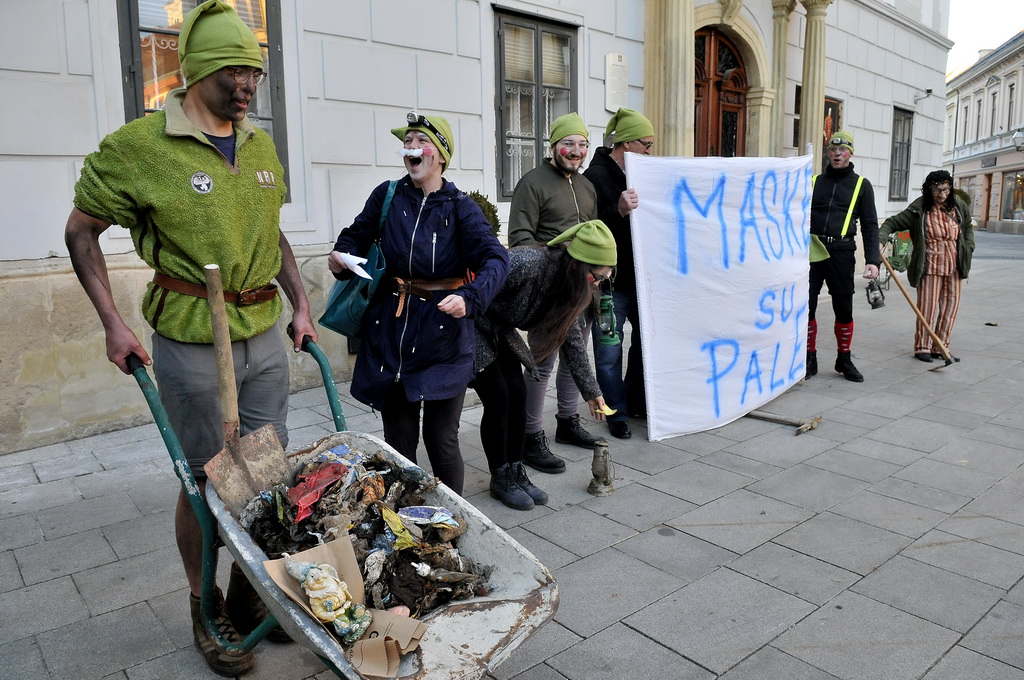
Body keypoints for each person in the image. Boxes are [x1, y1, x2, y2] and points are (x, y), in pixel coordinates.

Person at [63, 2, 314, 675]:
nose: (248, 84)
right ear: (198, 71)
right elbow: (79, 229)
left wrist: (301, 305)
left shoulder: (259, 145)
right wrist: (114, 325)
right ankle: (205, 609)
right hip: (193, 341)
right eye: (235, 69)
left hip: (262, 335)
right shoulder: (140, 149)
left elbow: (274, 232)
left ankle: (251, 595)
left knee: (264, 474)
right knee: (208, 480)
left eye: (255, 72)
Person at [329, 111, 509, 496]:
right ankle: (398, 523)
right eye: (407, 142)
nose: (411, 148)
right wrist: (341, 257)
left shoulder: (460, 207)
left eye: (419, 141)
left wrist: (470, 298)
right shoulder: (388, 195)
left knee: (441, 439)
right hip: (390, 333)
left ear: (440, 155)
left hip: (443, 336)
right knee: (398, 440)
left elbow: (497, 259)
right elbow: (356, 236)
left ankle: (452, 524)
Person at [473, 221, 613, 510]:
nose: (597, 285)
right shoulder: (527, 263)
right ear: (579, 265)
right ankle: (500, 477)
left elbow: (572, 341)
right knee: (499, 398)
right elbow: (477, 285)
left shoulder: (569, 287)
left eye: (604, 279)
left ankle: (516, 470)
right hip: (471, 325)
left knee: (519, 395)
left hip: (499, 329)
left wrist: (592, 392)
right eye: (596, 277)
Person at [508, 112, 602, 472]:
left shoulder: (586, 186)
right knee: (541, 364)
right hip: (549, 292)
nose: (575, 152)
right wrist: (549, 270)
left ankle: (567, 422)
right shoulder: (532, 183)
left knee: (574, 361)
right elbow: (520, 239)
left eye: (581, 145)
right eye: (568, 144)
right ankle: (530, 436)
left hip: (583, 291)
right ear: (554, 147)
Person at [584, 108, 655, 440]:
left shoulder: (642, 173)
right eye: (647, 144)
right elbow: (589, 229)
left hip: (642, 279)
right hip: (610, 284)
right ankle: (615, 412)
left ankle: (636, 401)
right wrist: (619, 210)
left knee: (645, 345)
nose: (650, 152)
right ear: (627, 143)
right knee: (609, 350)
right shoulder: (595, 177)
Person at [806, 130, 880, 383]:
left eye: (842, 150)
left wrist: (873, 260)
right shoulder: (814, 181)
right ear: (827, 154)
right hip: (812, 249)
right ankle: (809, 357)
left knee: (843, 308)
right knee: (807, 306)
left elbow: (870, 224)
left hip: (842, 251)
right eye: (832, 150)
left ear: (850, 154)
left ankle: (843, 358)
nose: (837, 154)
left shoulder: (861, 184)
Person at [878, 170, 975, 362]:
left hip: (955, 264)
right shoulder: (919, 209)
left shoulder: (958, 206)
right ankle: (922, 346)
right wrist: (879, 240)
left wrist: (969, 246)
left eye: (946, 190)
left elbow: (968, 227)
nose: (942, 194)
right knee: (927, 307)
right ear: (929, 190)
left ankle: (941, 347)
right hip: (930, 264)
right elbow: (892, 223)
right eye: (937, 190)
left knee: (950, 307)